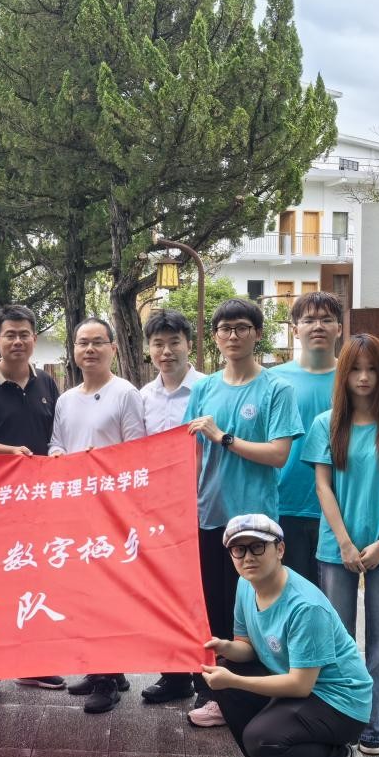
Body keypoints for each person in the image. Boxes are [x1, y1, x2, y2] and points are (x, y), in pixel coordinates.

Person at [142, 298, 302, 729]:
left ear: (257, 334)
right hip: (207, 516)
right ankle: (215, 694)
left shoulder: (276, 389)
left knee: (253, 611)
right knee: (213, 609)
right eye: (225, 329)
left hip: (254, 523)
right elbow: (189, 453)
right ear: (214, 337)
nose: (233, 336)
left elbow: (279, 454)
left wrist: (225, 437)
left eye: (242, 327)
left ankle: (259, 693)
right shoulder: (206, 389)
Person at [303, 333, 379, 756]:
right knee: (335, 641)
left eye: (372, 369)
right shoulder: (326, 424)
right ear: (344, 374)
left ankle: (376, 728)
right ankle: (338, 724)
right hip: (335, 549)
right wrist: (344, 542)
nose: (363, 377)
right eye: (355, 369)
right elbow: (323, 486)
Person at [202, 514, 372, 757]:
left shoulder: (305, 606)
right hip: (299, 686)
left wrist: (235, 681)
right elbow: (248, 647)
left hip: (340, 701)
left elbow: (300, 685)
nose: (248, 557)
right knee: (225, 671)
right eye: (238, 549)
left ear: (279, 549)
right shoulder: (246, 585)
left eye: (257, 547)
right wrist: (226, 647)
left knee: (261, 738)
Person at [0, 304, 66, 703]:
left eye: (24, 334)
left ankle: (32, 664)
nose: (17, 341)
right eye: (10, 335)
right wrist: (9, 452)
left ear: (34, 339)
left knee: (35, 584)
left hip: (39, 504)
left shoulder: (47, 383)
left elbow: (56, 436)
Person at [49, 318, 146, 713]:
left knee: (108, 593)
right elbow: (56, 442)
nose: (90, 349)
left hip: (112, 511)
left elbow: (137, 451)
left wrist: (102, 464)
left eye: (98, 342)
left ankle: (106, 679)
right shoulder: (66, 399)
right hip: (76, 510)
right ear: (73, 350)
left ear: (113, 348)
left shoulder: (126, 394)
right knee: (84, 593)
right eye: (82, 343)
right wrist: (58, 455)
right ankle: (101, 668)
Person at [269, 292, 343, 586]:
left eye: (327, 319)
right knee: (290, 595)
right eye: (309, 320)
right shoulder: (274, 380)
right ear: (295, 329)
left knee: (333, 601)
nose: (318, 326)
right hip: (285, 504)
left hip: (340, 505)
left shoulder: (353, 378)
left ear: (339, 328)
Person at [139, 308, 205, 436]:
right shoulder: (143, 397)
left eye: (174, 343)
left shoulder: (209, 390)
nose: (167, 351)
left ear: (189, 346)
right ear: (149, 349)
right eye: (158, 345)